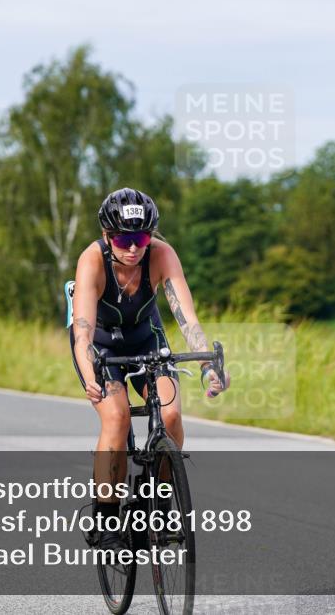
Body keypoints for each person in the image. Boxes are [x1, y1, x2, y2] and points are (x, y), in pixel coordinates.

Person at [69, 187, 229, 548]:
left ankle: (153, 499)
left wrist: (208, 366)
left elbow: (188, 321)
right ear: (108, 236)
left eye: (141, 237)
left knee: (171, 416)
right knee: (117, 417)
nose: (132, 247)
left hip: (146, 338)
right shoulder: (92, 260)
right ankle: (107, 521)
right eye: (123, 239)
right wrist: (89, 371)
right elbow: (82, 333)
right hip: (100, 344)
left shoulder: (161, 255)